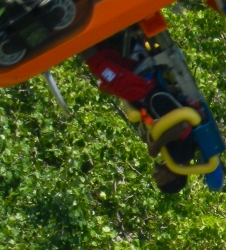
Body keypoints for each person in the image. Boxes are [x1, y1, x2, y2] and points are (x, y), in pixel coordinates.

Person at [82, 35, 209, 194]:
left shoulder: (170, 156)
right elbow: (183, 127)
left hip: (140, 93)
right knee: (98, 64)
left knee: (105, 58)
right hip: (144, 92)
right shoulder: (180, 158)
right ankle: (76, 34)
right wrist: (157, 144)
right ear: (175, 178)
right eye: (161, 180)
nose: (155, 177)